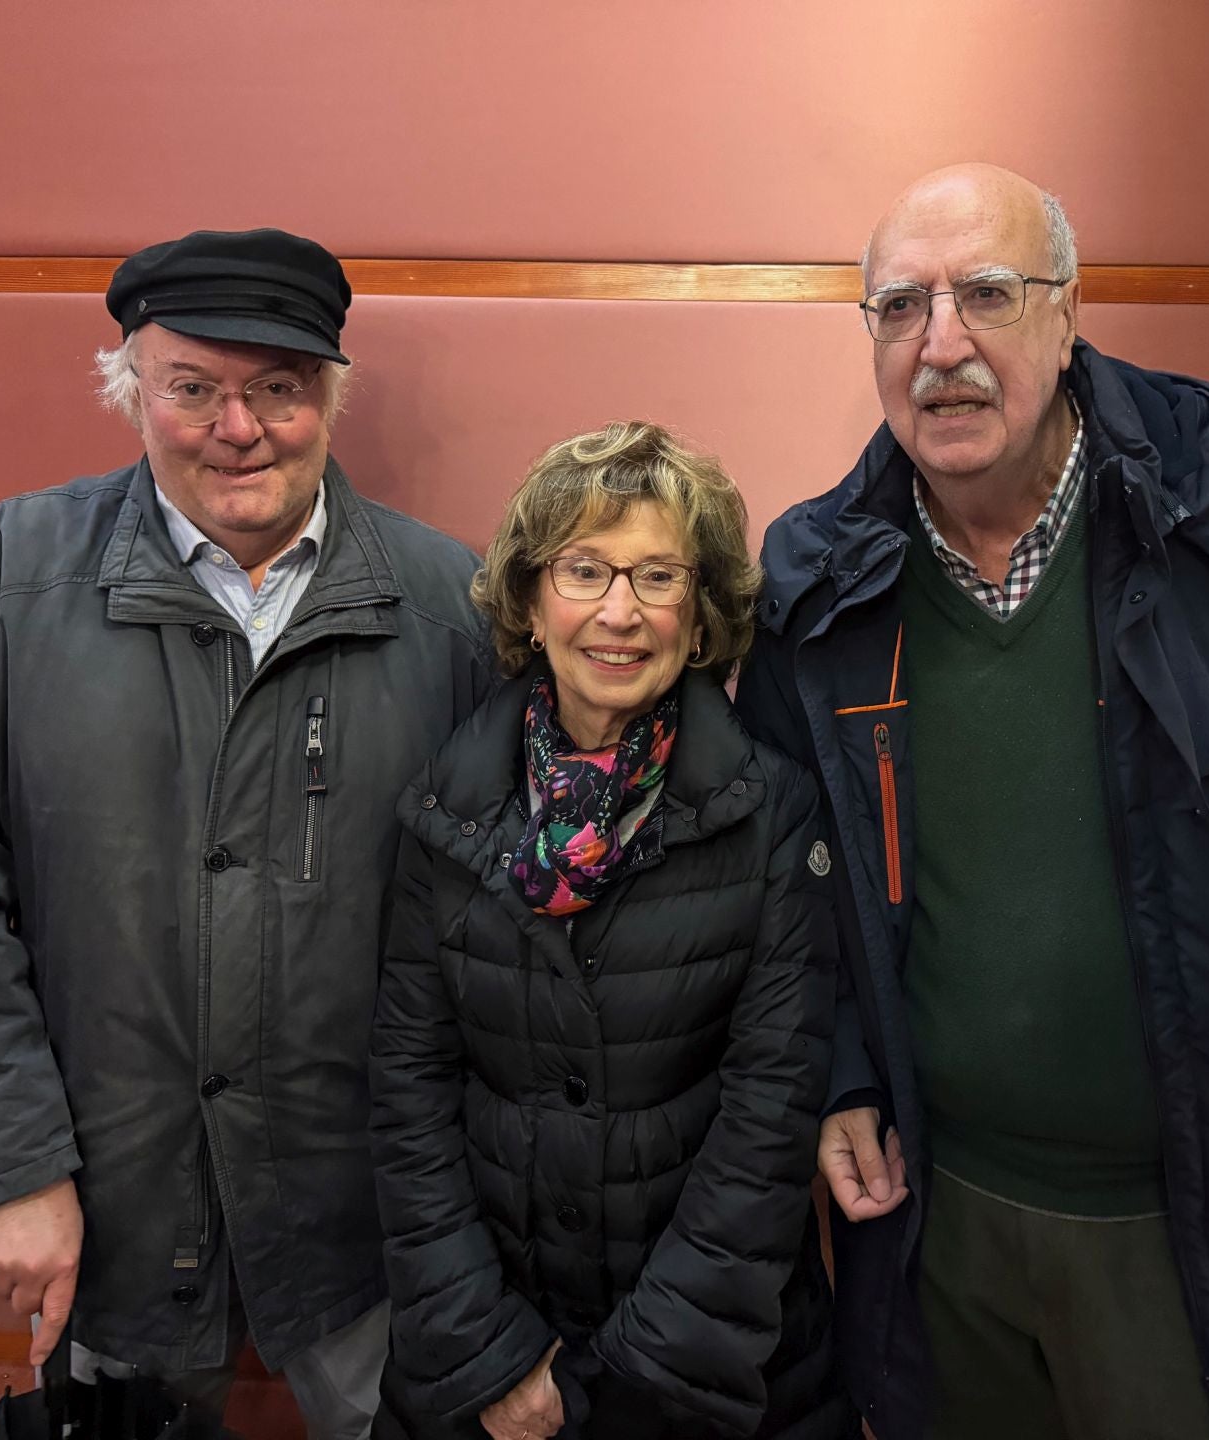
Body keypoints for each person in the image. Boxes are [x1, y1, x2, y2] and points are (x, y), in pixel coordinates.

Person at [733, 164, 1209, 1440]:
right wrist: (837, 1075)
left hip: (1205, 1234)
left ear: (1067, 309)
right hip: (944, 1241)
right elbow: (785, 881)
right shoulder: (819, 589)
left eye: (987, 293)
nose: (942, 345)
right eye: (898, 308)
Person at [0, 227, 494, 1436]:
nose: (238, 427)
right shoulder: (6, 579)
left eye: (277, 388)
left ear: (329, 396)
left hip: (374, 1225)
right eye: (193, 387)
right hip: (109, 1210)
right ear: (131, 391)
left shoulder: (449, 609)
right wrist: (8, 1172)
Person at [368, 422, 854, 1440]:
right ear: (531, 599)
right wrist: (489, 1354)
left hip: (709, 1376)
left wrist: (645, 1373)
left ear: (702, 608)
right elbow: (408, 1099)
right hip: (485, 1371)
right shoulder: (440, 812)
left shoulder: (774, 815)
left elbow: (770, 1120)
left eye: (659, 576)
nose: (620, 614)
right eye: (586, 569)